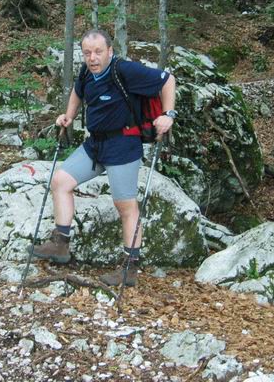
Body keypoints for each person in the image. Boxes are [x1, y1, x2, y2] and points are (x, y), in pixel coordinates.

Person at [31, 29, 177, 287]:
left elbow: (167, 80)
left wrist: (169, 114)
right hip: (95, 143)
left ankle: (129, 269)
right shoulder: (88, 72)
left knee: (125, 206)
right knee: (60, 182)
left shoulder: (126, 70)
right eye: (87, 52)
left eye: (98, 52)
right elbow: (78, 91)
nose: (92, 57)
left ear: (110, 51)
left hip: (123, 145)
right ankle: (60, 245)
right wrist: (69, 115)